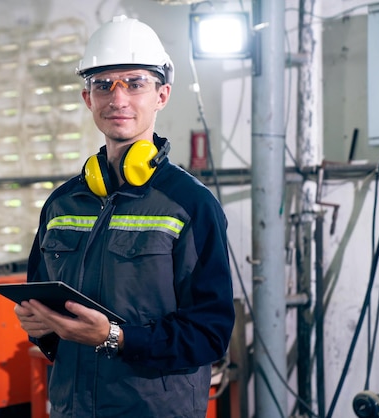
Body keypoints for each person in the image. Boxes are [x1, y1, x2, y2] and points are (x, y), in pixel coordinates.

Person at [14, 15, 235, 418]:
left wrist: (115, 337)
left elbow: (210, 334)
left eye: (135, 83)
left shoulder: (190, 204)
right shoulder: (62, 204)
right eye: (103, 85)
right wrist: (40, 325)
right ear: (88, 99)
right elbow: (45, 308)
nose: (118, 99)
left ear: (162, 95)